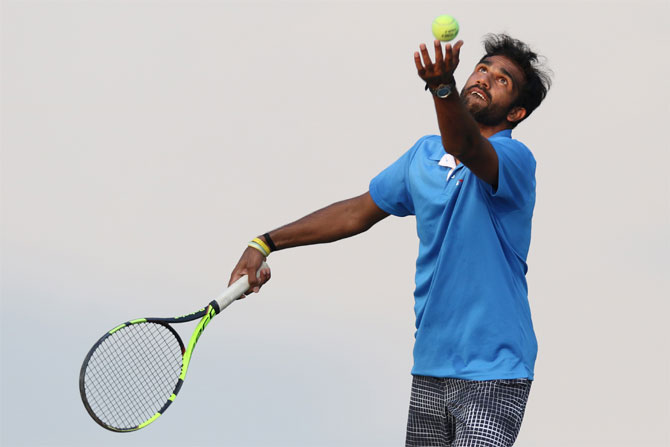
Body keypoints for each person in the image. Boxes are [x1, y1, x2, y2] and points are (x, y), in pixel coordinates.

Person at [229, 33, 552, 447]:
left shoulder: (515, 161)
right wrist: (264, 242)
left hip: (495, 371)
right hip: (431, 368)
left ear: (517, 112)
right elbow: (356, 212)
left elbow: (466, 144)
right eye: (482, 68)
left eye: (501, 79)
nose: (484, 79)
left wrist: (442, 87)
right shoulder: (423, 155)